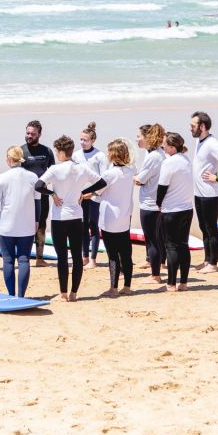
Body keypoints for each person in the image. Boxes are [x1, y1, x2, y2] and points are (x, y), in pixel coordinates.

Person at [36, 135, 100, 301]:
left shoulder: (55, 169)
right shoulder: (82, 168)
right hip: (77, 217)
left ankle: (63, 294)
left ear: (61, 152)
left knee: (63, 257)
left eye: (57, 151)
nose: (56, 154)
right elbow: (102, 182)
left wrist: (52, 194)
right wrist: (85, 193)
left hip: (59, 218)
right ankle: (74, 294)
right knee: (77, 256)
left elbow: (37, 186)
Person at [82, 139, 137, 296]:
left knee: (112, 255)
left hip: (109, 219)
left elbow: (97, 187)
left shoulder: (109, 173)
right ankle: (127, 287)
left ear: (113, 155)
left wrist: (82, 193)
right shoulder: (131, 170)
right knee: (126, 253)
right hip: (125, 217)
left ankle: (113, 288)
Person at [0, 146, 40, 297]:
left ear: (9, 159)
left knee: (8, 261)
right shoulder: (33, 177)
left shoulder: (2, 178)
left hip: (6, 227)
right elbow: (38, 202)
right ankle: (21, 296)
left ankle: (11, 295)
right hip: (27, 226)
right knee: (24, 260)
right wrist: (37, 221)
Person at [190, 111, 218, 273]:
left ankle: (213, 264)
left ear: (202, 127)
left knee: (211, 228)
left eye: (193, 126)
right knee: (203, 227)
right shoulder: (199, 141)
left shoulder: (211, 143)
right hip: (199, 193)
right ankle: (207, 260)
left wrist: (217, 177)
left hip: (211, 194)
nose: (190, 128)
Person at [157, 132, 195, 292]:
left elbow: (162, 187)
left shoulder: (169, 163)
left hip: (171, 210)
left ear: (172, 147)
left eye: (164, 144)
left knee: (171, 246)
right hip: (187, 208)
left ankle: (171, 284)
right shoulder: (186, 159)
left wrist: (158, 203)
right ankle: (184, 283)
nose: (162, 146)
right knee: (183, 245)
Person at [133, 123, 167, 283]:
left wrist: (128, 175)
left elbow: (140, 179)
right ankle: (155, 267)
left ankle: (155, 276)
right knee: (156, 239)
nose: (136, 139)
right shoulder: (157, 153)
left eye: (139, 136)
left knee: (153, 240)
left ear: (147, 138)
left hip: (150, 203)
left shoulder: (154, 156)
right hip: (157, 202)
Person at [21, 120, 55, 266]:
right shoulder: (20, 151)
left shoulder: (46, 151)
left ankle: (39, 258)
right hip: (25, 196)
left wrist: (54, 192)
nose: (29, 136)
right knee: (25, 226)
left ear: (39, 134)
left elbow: (53, 172)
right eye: (27, 133)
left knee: (41, 225)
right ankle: (24, 257)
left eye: (33, 134)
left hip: (42, 195)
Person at [72, 122, 106, 268]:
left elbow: (104, 179)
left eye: (85, 140)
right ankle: (84, 257)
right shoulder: (76, 155)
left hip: (94, 196)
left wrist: (92, 194)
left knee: (94, 225)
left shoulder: (99, 155)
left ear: (92, 140)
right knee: (82, 226)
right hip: (80, 195)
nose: (82, 142)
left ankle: (93, 259)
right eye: (81, 139)